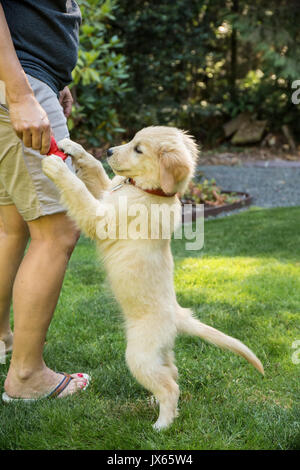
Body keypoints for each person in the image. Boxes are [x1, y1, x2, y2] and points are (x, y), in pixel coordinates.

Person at [0, 0, 90, 400]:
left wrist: (54, 80)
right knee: (59, 231)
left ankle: (2, 337)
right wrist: (21, 93)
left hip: (27, 80)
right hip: (17, 84)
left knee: (11, 226)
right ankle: (26, 377)